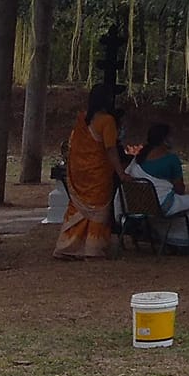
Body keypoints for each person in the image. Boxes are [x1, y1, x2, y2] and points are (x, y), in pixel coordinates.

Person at [54, 84, 128, 259]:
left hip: (80, 173)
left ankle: (68, 246)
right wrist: (121, 173)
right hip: (99, 174)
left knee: (78, 207)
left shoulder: (82, 118)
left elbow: (73, 145)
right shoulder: (107, 121)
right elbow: (111, 150)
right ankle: (93, 249)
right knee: (99, 209)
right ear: (106, 99)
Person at [128, 122, 189, 249]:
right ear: (164, 140)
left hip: (136, 205)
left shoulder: (138, 159)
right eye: (171, 136)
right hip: (161, 205)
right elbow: (180, 189)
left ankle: (158, 235)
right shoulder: (171, 159)